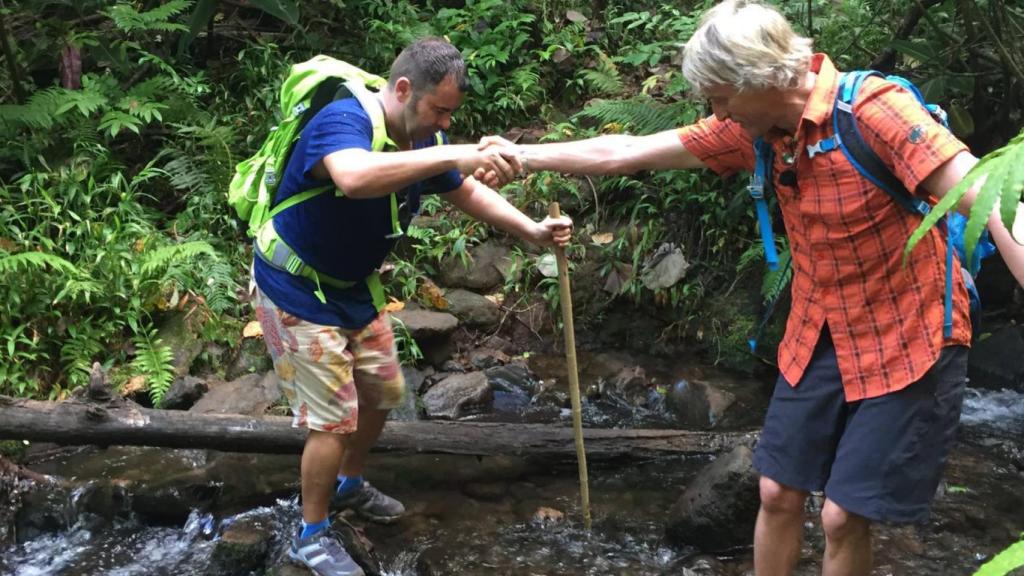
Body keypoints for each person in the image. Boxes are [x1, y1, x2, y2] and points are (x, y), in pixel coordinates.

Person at [480, 1, 1024, 574]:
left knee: (841, 515)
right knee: (776, 491)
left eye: (719, 97)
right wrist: (524, 155)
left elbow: (989, 196)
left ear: (760, 79)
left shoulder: (871, 112)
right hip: (820, 334)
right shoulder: (756, 130)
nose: (715, 112)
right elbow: (625, 151)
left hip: (909, 336)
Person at [251, 37, 572, 576]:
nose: (443, 122)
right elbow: (353, 178)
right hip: (296, 287)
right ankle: (310, 534)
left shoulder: (426, 137)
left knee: (383, 391)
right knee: (332, 421)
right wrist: (450, 150)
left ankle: (348, 485)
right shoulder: (344, 119)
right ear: (403, 90)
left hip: (351, 287)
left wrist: (532, 230)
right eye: (439, 110)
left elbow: (462, 190)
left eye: (451, 114)